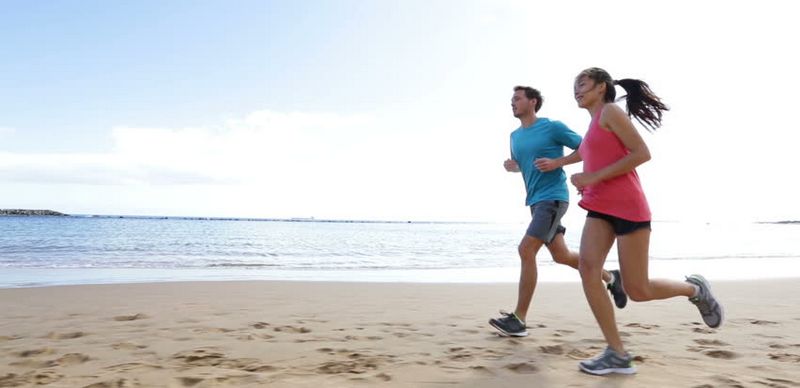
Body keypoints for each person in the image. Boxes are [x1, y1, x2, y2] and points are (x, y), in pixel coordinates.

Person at [569, 67, 723, 375]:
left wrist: (593, 176)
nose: (576, 90)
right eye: (574, 86)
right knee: (588, 267)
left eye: (582, 84)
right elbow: (583, 154)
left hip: (628, 207)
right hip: (599, 207)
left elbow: (642, 152)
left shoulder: (611, 112)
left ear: (602, 87)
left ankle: (695, 290)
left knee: (638, 290)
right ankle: (616, 352)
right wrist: (564, 168)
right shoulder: (590, 128)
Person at [489, 86, 627, 338]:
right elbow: (528, 163)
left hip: (553, 198)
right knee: (561, 256)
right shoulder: (514, 136)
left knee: (526, 249)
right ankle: (611, 277)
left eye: (517, 98)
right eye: (511, 99)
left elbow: (588, 149)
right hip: (535, 201)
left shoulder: (552, 127)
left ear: (533, 102)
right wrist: (515, 166)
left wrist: (559, 163)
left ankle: (519, 319)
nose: (512, 103)